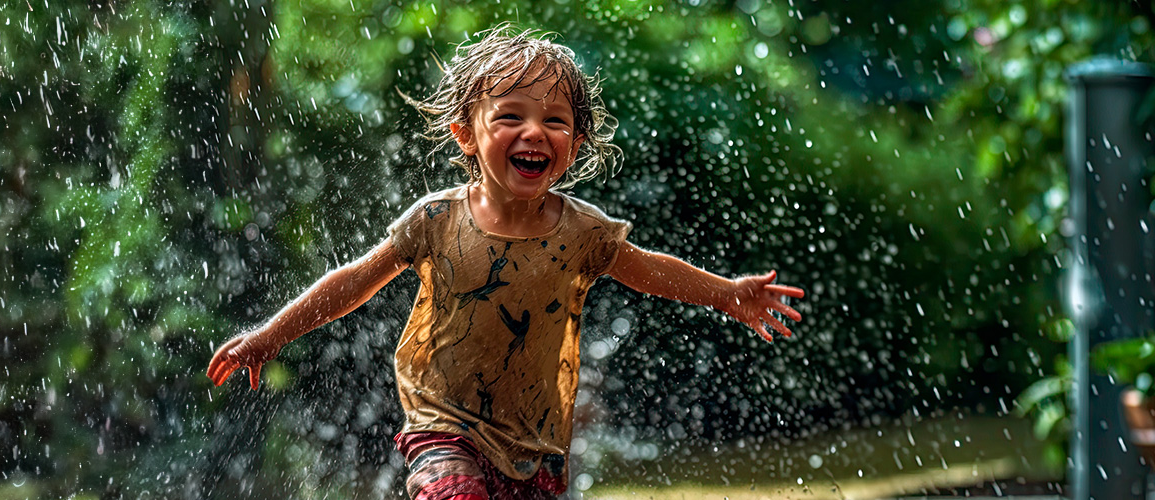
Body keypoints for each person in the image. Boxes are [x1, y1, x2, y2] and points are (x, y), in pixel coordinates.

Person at [206, 25, 804, 500]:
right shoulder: (436, 220)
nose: (534, 132)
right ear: (466, 134)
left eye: (555, 121)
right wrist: (270, 336)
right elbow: (356, 281)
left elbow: (649, 270)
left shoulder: (583, 233)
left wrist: (727, 293)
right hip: (441, 424)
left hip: (533, 442)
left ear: (575, 144)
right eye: (511, 116)